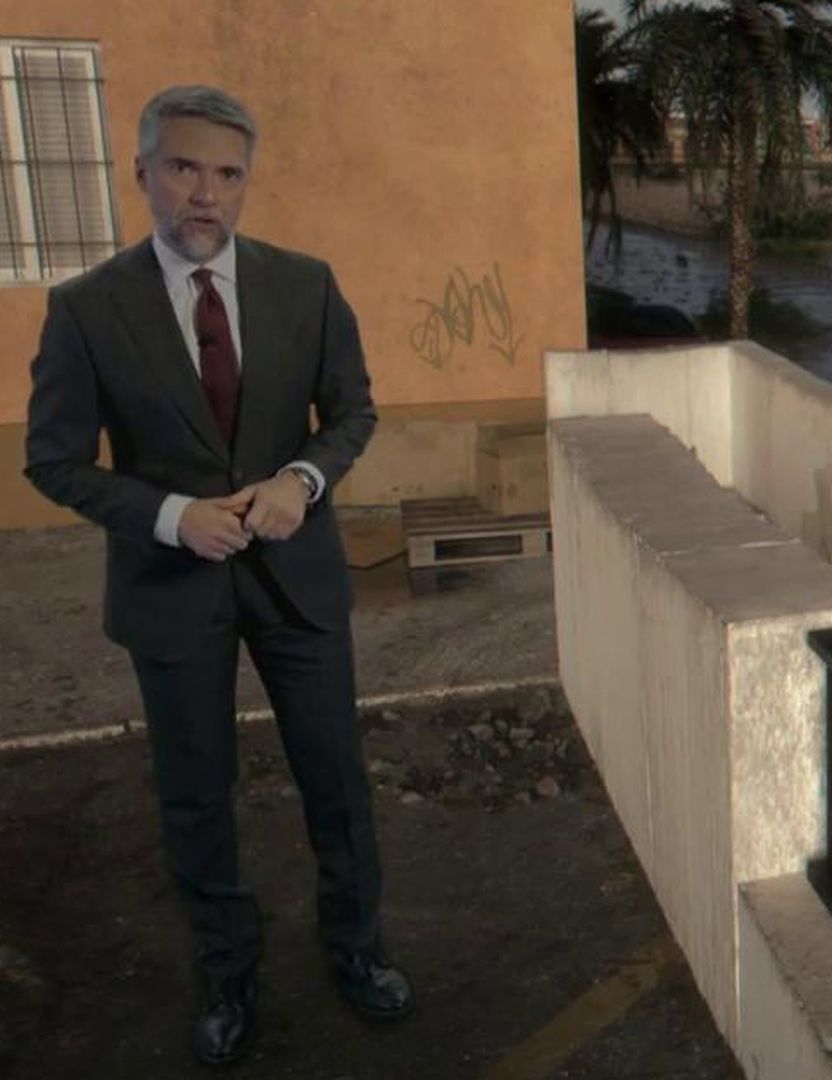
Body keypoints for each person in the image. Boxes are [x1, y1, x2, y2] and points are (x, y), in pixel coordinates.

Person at [23, 84, 410, 1067]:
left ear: (246, 185)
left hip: (298, 581)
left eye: (227, 174)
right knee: (196, 797)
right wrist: (168, 517)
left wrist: (304, 477)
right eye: (185, 168)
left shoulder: (306, 285)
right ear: (144, 172)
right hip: (170, 591)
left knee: (336, 781)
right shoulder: (86, 309)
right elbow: (53, 459)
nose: (206, 193)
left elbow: (354, 411)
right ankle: (228, 976)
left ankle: (357, 951)